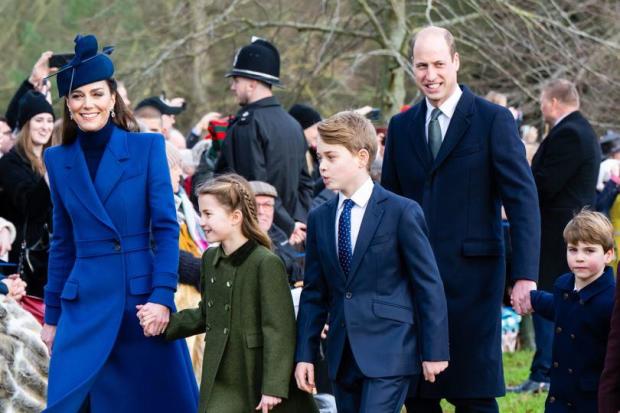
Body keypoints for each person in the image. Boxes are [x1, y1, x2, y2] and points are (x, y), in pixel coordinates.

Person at [381, 26, 540, 412]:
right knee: (419, 396)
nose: (430, 74)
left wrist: (525, 275)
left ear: (455, 62)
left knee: (475, 397)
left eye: (438, 63)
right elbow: (389, 208)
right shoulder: (401, 128)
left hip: (475, 284)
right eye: (421, 65)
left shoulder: (492, 120)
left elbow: (522, 200)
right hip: (414, 283)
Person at [40, 34, 198, 412]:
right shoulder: (57, 160)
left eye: (97, 94)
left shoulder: (147, 148)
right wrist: (52, 316)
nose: (87, 103)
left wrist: (162, 297)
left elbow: (165, 228)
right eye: (78, 96)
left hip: (141, 304)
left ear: (113, 99)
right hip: (83, 306)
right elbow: (63, 243)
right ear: (69, 104)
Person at [295, 111, 449, 413]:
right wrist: (305, 354)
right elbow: (314, 293)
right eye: (318, 156)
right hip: (342, 353)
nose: (322, 166)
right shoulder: (320, 217)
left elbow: (427, 284)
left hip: (391, 349)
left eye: (331, 157)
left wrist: (435, 349)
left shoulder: (401, 212)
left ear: (361, 157)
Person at [139, 174, 317, 413]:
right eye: (201, 213)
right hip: (221, 372)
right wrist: (166, 323)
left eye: (208, 214)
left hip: (255, 374)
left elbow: (279, 329)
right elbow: (207, 312)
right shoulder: (210, 258)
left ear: (235, 217)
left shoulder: (265, 263)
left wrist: (273, 386)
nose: (202, 222)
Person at [512, 79, 602, 393]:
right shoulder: (578, 131)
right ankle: (545, 370)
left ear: (552, 102)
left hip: (559, 233)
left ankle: (544, 373)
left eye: (541, 101)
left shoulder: (570, 134)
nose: (540, 107)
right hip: (563, 229)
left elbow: (545, 183)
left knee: (550, 299)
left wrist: (518, 193)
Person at [215, 37, 313, 244]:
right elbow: (306, 183)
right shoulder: (293, 124)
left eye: (236, 80)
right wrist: (296, 222)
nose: (232, 87)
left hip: (257, 234)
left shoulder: (247, 124)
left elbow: (254, 187)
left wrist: (289, 226)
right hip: (291, 237)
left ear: (251, 84)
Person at [527, 210, 615, 412]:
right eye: (573, 249)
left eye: (589, 251)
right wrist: (529, 297)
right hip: (559, 395)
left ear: (608, 254)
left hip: (592, 399)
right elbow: (558, 307)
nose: (580, 258)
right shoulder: (563, 285)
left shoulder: (612, 300)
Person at [0, 90, 55, 324]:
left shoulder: (49, 160)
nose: (45, 127)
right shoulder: (10, 164)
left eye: (50, 120)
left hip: (50, 260)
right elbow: (30, 207)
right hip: (23, 265)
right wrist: (48, 179)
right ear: (25, 125)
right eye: (39, 120)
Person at [248, 180, 304, 285]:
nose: (261, 211)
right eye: (255, 205)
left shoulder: (276, 232)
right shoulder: (240, 240)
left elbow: (295, 268)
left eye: (267, 205)